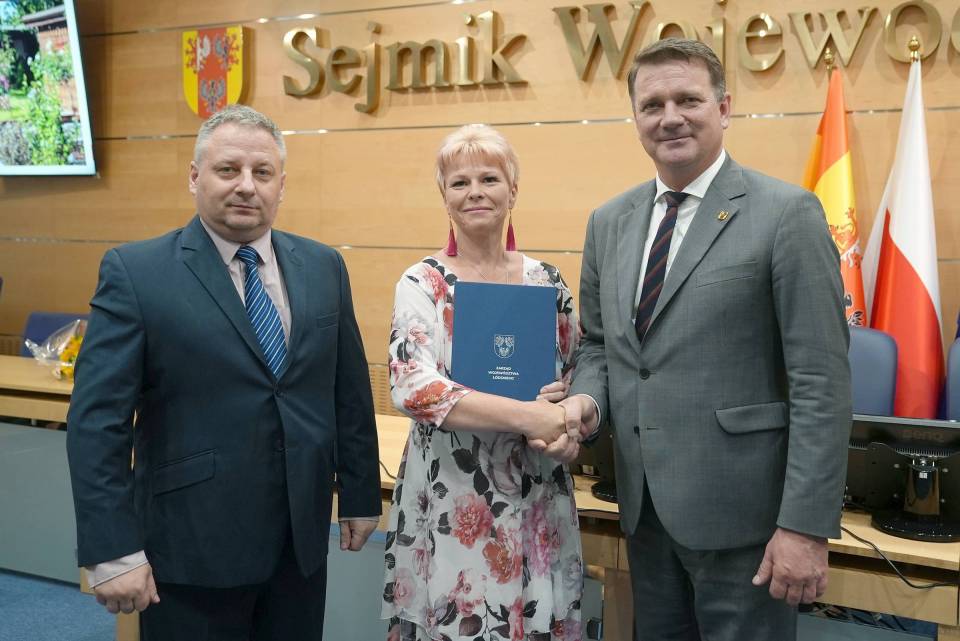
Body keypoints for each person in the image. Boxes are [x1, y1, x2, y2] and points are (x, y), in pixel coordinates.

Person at [559, 38, 852, 640]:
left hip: (749, 525)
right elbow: (599, 347)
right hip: (644, 514)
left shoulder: (787, 213)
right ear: (636, 118)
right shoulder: (608, 222)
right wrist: (585, 402)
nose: (670, 117)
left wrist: (804, 526)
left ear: (724, 107)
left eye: (688, 100)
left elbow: (821, 382)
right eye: (652, 104)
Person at [66, 105, 382, 641]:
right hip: (191, 551)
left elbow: (347, 391)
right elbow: (98, 423)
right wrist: (112, 547)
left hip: (299, 547)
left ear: (281, 185)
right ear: (195, 177)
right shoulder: (136, 273)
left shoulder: (324, 265)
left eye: (263, 172)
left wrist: (359, 493)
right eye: (228, 169)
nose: (246, 186)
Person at [381, 124, 584, 641]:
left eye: (489, 179)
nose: (475, 192)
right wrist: (529, 416)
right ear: (444, 198)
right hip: (452, 499)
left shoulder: (547, 282)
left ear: (513, 190)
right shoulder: (423, 282)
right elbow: (412, 386)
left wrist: (567, 427)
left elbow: (576, 375)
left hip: (538, 491)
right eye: (460, 182)